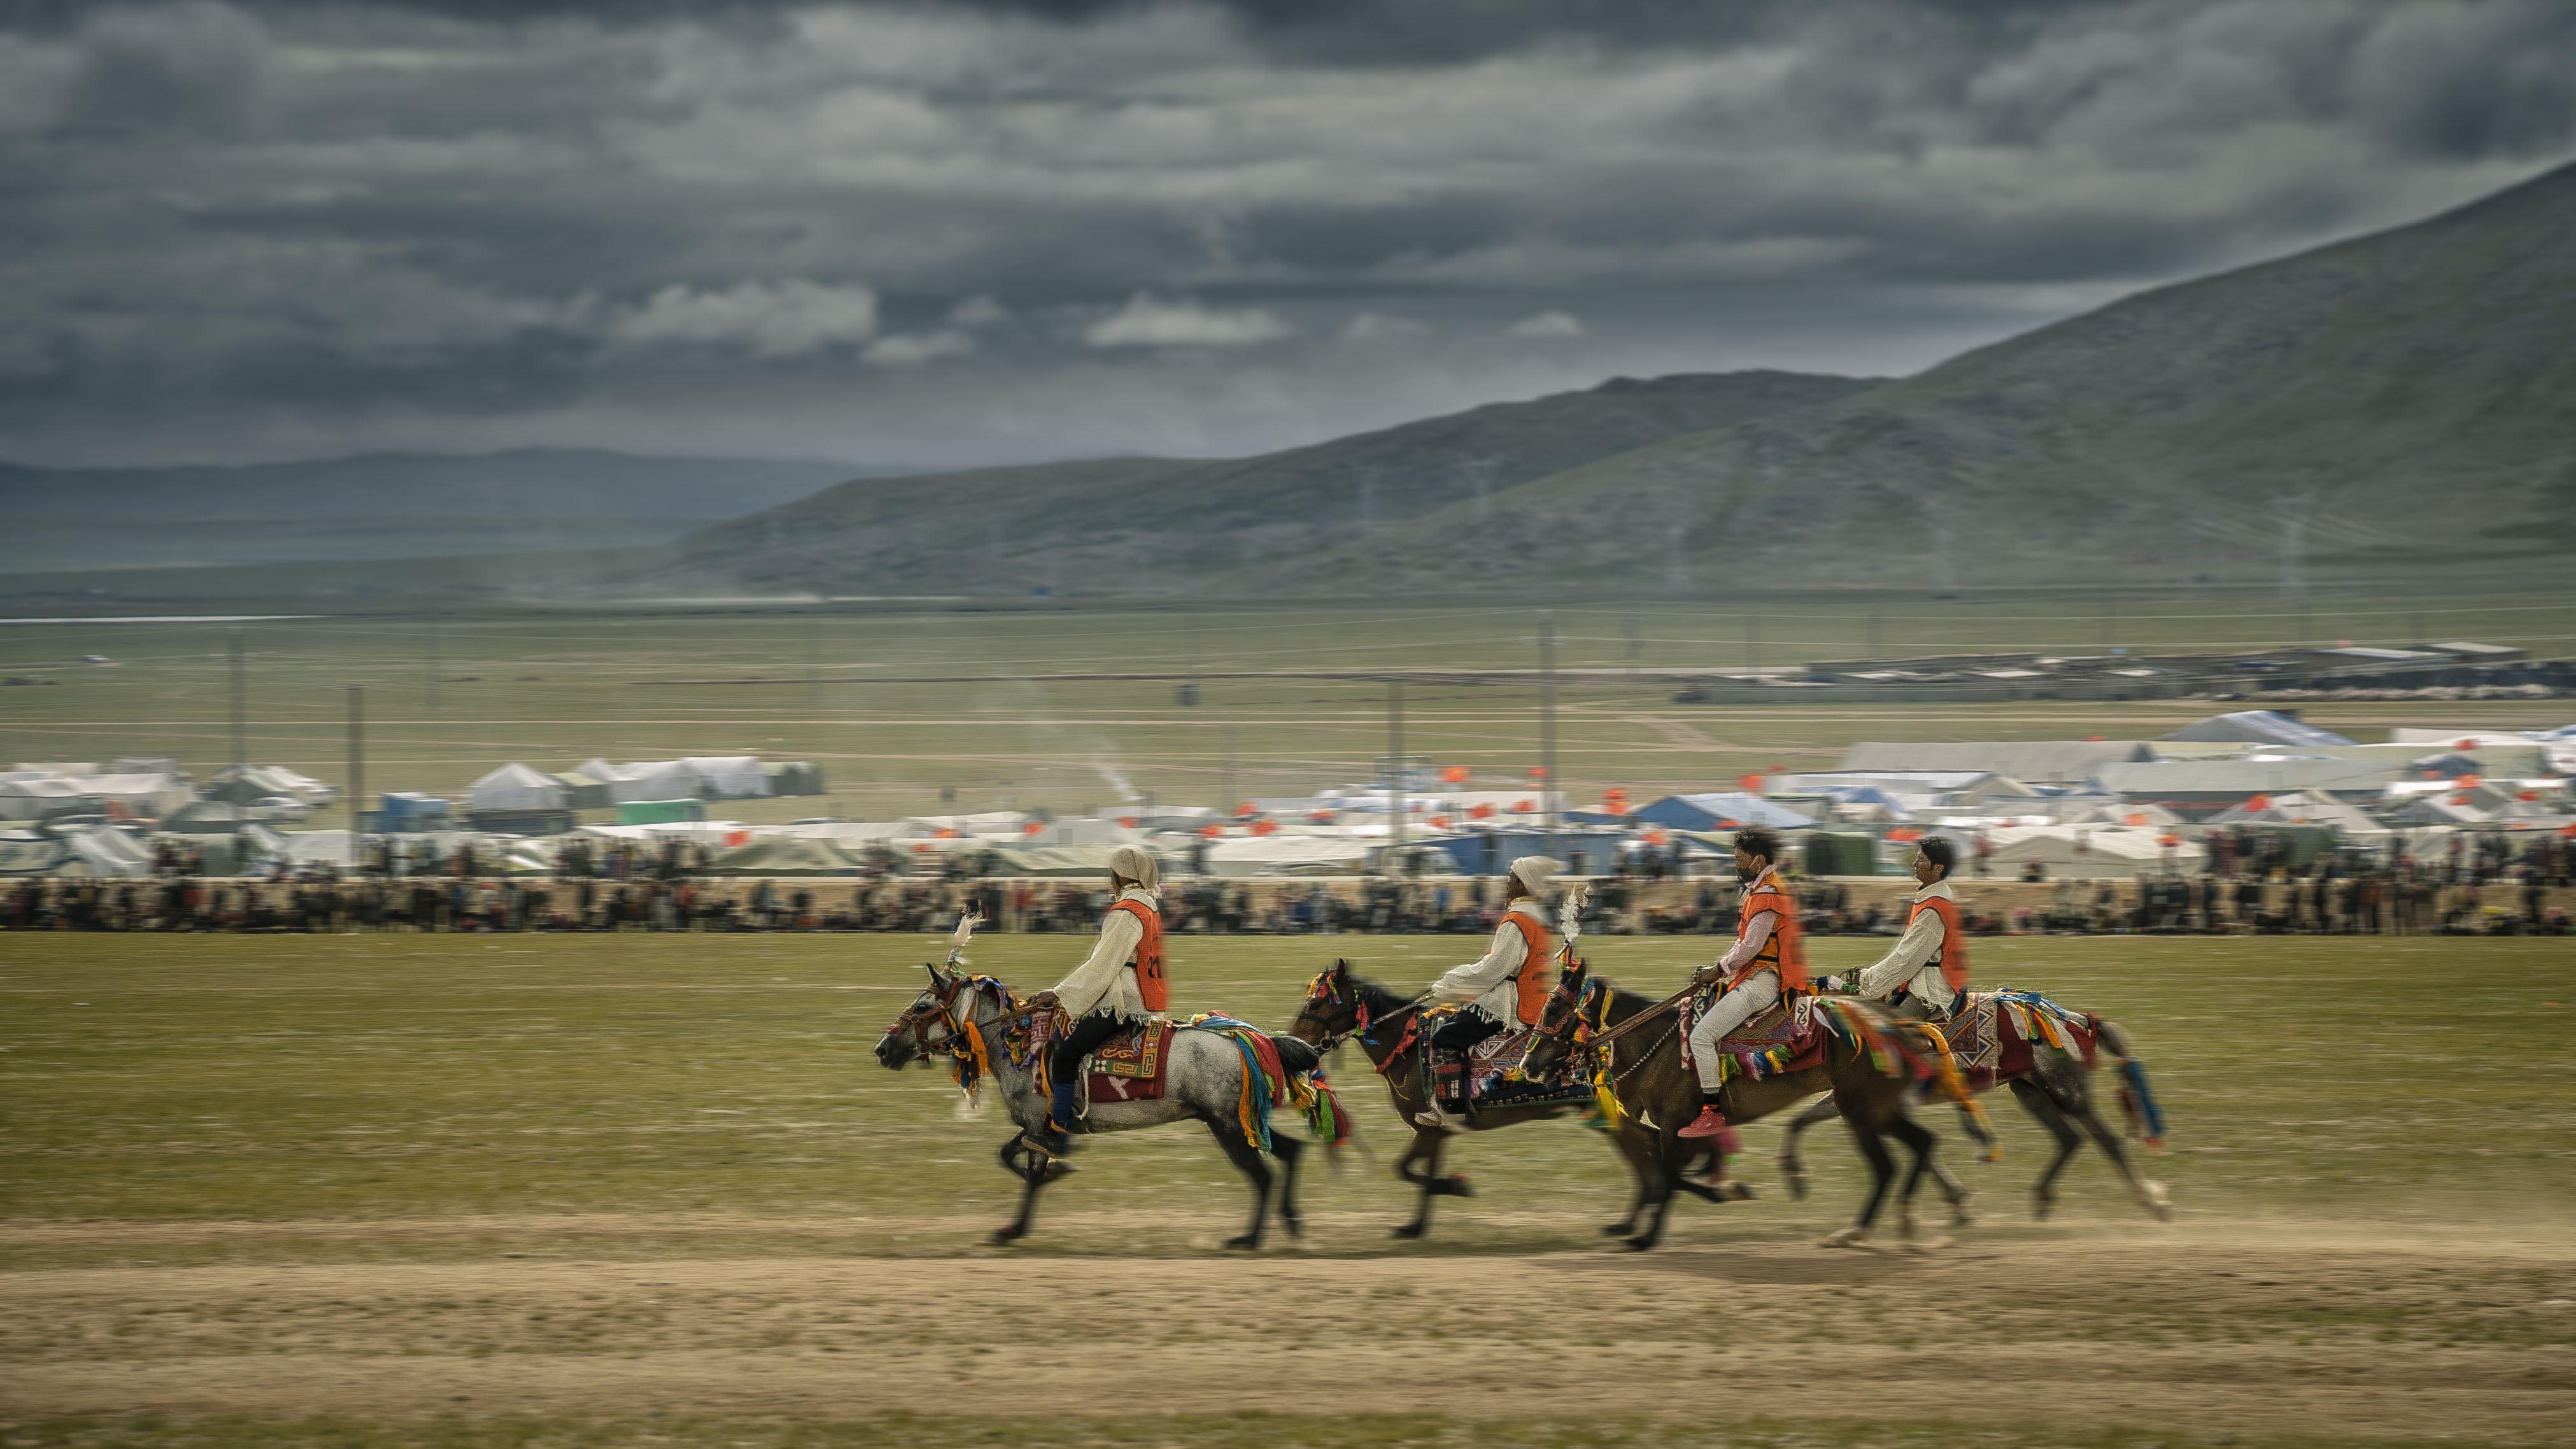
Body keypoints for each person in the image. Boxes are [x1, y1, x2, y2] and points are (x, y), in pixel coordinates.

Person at [1020, 844, 1168, 1157]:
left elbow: (1102, 966)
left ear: (1120, 876)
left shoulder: (1127, 911)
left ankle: (1060, 1134)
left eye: (1110, 874)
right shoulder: (1149, 907)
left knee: (1064, 1056)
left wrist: (1059, 993)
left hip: (1124, 1002)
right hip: (1143, 996)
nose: (1108, 880)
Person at [1679, 827, 1808, 1143]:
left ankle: (1712, 1114)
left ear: (1758, 860)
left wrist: (1717, 970)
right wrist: (1720, 968)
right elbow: (1744, 945)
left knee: (1702, 1037)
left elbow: (1751, 947)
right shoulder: (1763, 888)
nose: (1735, 864)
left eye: (1739, 859)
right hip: (1755, 974)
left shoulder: (1767, 894)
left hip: (1764, 980)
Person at [1413, 856, 1559, 1133]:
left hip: (1510, 1003)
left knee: (1445, 1037)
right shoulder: (1540, 920)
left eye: (1512, 878)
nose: (1508, 883)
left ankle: (1452, 1111)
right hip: (1537, 998)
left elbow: (1493, 971)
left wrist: (1448, 985)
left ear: (1524, 884)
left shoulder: (1517, 921)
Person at [1819, 837, 1967, 1021]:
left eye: (1921, 860)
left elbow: (1907, 960)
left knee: (1888, 1034)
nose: (1914, 863)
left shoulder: (1934, 909)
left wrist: (1866, 980)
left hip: (1930, 989)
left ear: (1937, 868)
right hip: (1919, 979)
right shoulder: (1932, 897)